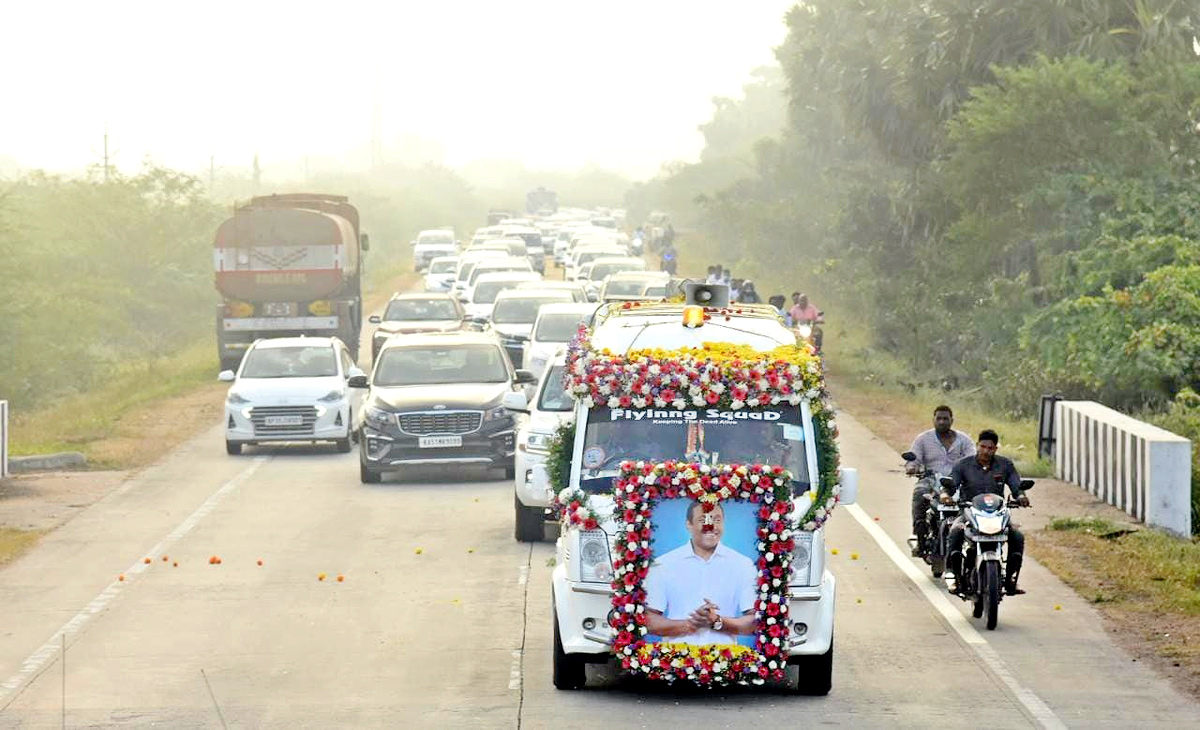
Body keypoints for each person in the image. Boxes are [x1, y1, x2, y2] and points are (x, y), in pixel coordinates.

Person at [644, 501, 758, 645]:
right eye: (703, 520)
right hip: (674, 661)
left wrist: (718, 621)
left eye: (717, 520)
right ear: (688, 524)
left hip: (727, 661)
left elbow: (755, 621)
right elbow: (648, 620)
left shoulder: (743, 565)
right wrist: (689, 625)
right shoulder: (663, 564)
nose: (711, 526)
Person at [941, 429, 1031, 595]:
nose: (986, 451)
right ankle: (952, 574)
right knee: (954, 531)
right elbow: (950, 485)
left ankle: (1011, 578)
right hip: (969, 512)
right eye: (983, 447)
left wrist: (1021, 496)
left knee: (1017, 536)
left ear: (995, 449)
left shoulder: (1005, 465)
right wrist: (946, 495)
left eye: (990, 448)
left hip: (997, 514)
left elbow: (1016, 486)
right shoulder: (963, 464)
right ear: (977, 446)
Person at [905, 406, 975, 556]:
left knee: (972, 501)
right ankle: (920, 536)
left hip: (957, 481)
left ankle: (972, 536)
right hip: (930, 478)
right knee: (919, 494)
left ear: (952, 420)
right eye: (939, 418)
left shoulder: (964, 440)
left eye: (945, 419)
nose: (942, 422)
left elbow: (972, 459)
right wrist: (911, 467)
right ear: (934, 420)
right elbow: (914, 459)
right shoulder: (923, 439)